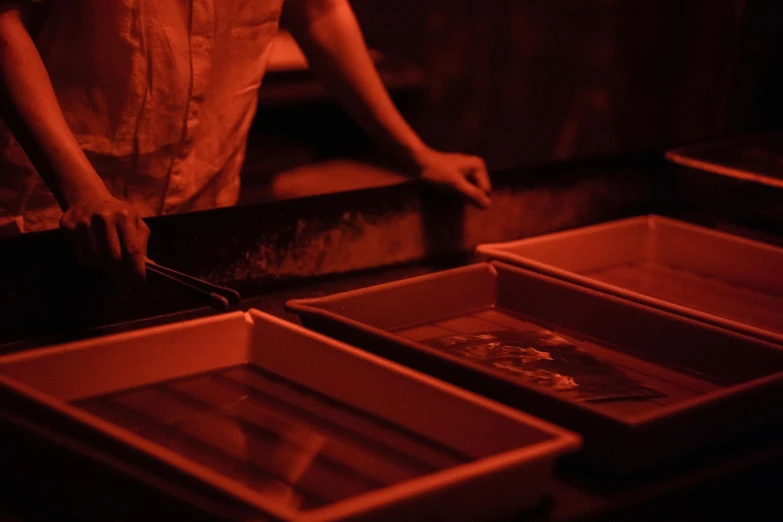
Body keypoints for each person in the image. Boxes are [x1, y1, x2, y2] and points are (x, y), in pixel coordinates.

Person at [0, 0, 491, 281]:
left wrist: (416, 153)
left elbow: (318, 11)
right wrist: (81, 188)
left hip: (203, 213)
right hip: (52, 214)